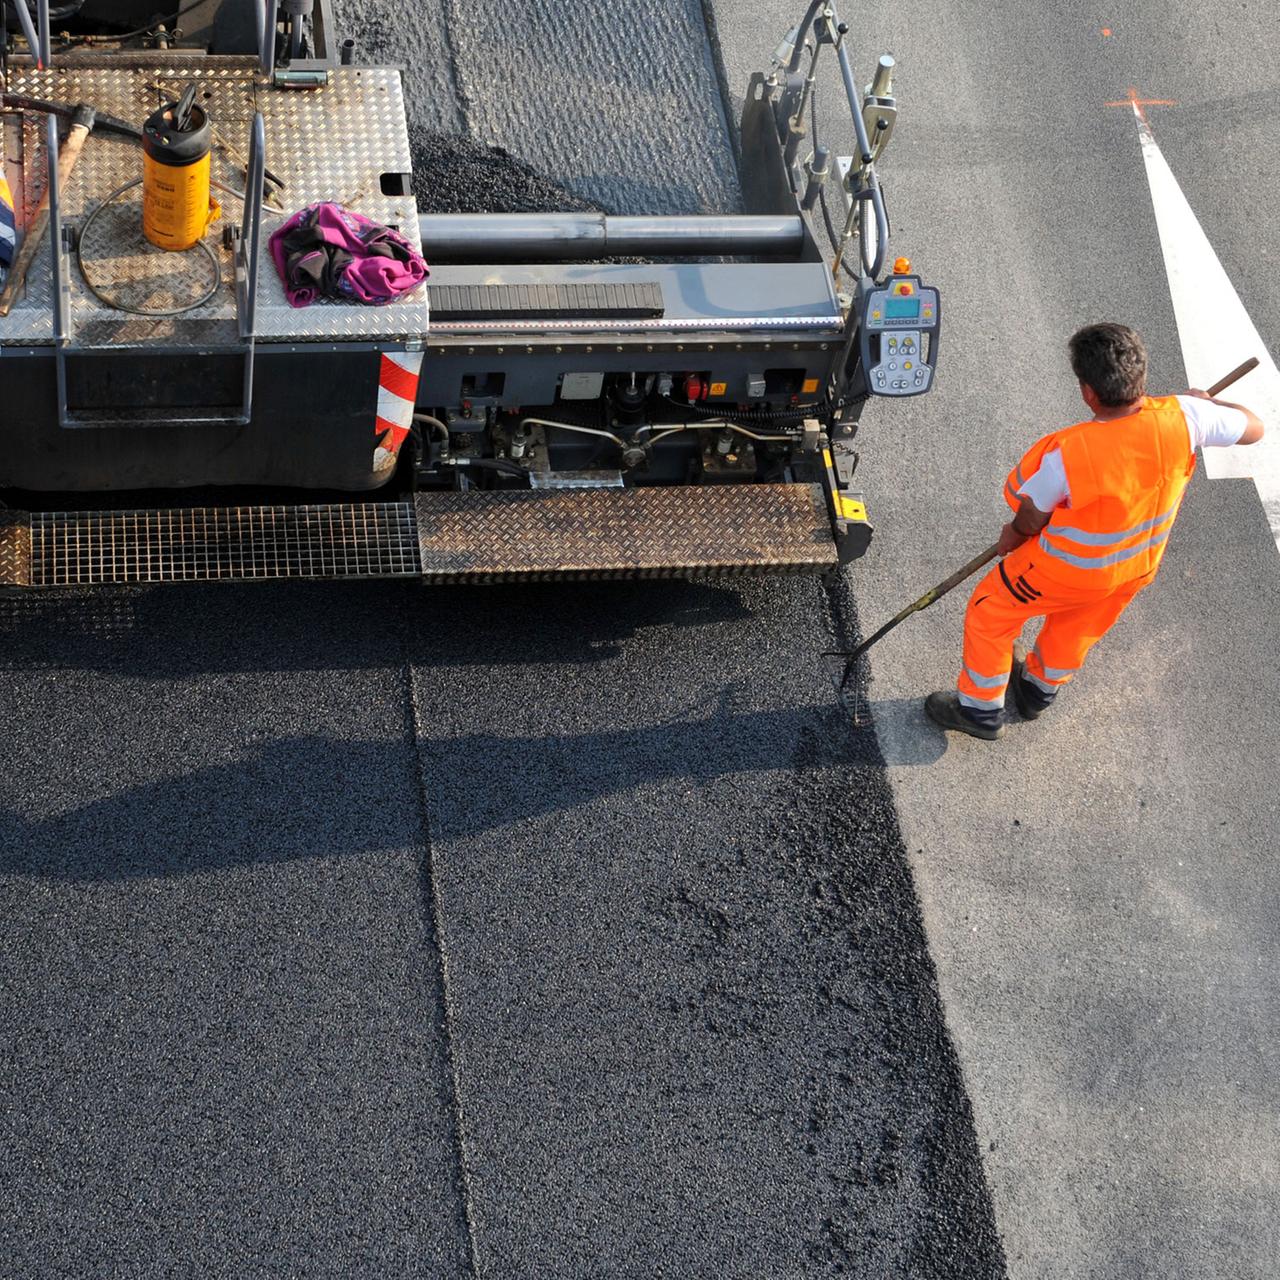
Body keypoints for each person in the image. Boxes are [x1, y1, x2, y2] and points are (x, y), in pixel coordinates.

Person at [926, 322, 1265, 740]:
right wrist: (1210, 403)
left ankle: (979, 710)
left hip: (1062, 571)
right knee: (1077, 627)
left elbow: (1030, 517)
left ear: (1088, 391)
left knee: (990, 610)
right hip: (1133, 568)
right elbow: (1254, 428)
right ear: (1140, 375)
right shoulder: (1188, 417)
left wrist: (1012, 535)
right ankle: (1036, 691)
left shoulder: (1069, 452)